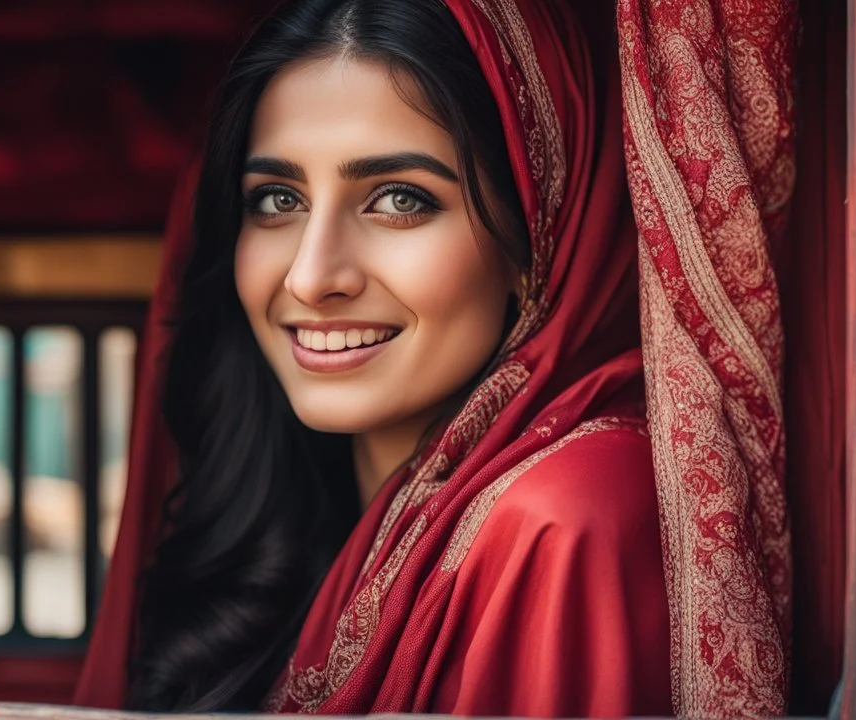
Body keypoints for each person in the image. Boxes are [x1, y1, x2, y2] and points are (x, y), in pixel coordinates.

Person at [75, 0, 794, 715]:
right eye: (276, 199)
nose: (309, 277)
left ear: (535, 241)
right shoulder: (285, 521)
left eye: (398, 199)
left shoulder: (565, 517)